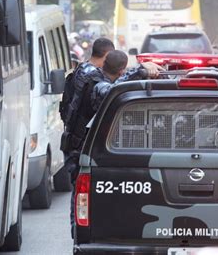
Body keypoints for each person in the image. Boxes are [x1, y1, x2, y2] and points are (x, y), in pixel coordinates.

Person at [65, 49, 163, 239]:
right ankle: (78, 237)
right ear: (120, 71)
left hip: (79, 146)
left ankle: (79, 237)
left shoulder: (86, 71)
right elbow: (111, 91)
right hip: (80, 149)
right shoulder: (97, 85)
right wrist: (138, 71)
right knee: (80, 199)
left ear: (103, 63)